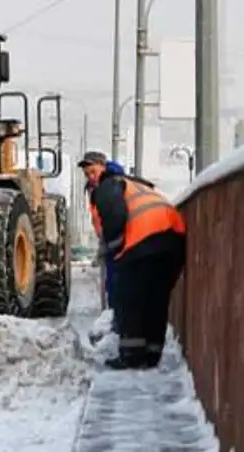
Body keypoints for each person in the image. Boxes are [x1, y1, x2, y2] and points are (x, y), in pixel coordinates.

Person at [88, 162, 187, 370]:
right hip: (174, 239)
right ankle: (152, 353)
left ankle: (131, 355)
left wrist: (114, 249)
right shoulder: (140, 186)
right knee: (156, 298)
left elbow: (115, 215)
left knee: (128, 298)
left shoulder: (107, 186)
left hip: (144, 238)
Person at [77, 151, 125, 335]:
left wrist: (110, 242)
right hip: (110, 240)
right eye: (87, 174)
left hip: (121, 240)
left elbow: (117, 215)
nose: (90, 177)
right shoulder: (95, 188)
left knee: (118, 283)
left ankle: (119, 327)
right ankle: (115, 324)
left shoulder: (114, 183)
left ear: (103, 167)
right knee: (112, 283)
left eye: (93, 171)